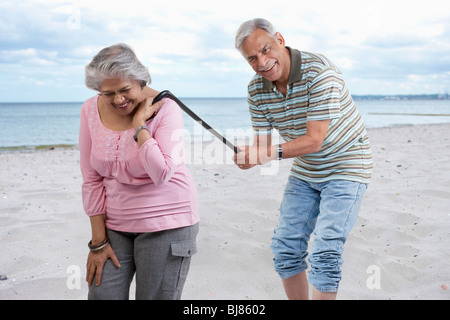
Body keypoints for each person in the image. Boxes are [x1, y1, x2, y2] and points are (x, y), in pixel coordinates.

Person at [233, 18, 373, 300]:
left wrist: (268, 153)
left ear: (280, 40)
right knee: (285, 247)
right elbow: (264, 146)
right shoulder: (255, 90)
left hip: (346, 163)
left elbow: (314, 140)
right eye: (252, 58)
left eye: (266, 49)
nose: (262, 62)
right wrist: (251, 156)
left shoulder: (320, 72)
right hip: (307, 170)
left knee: (326, 249)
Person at [80, 43, 199, 300]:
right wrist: (98, 242)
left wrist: (139, 126)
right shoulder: (90, 109)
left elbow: (162, 172)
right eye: (108, 93)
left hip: (167, 223)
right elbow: (91, 178)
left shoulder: (167, 108)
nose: (118, 100)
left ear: (141, 80)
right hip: (116, 226)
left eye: (125, 90)